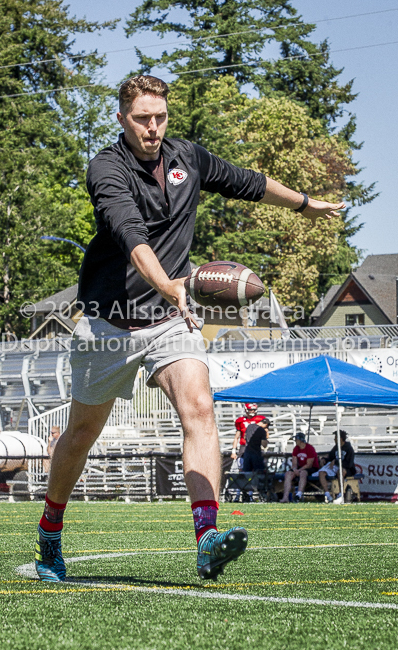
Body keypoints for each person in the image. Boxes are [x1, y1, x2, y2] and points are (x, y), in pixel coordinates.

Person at [34, 74, 345, 582]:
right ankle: (50, 529)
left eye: (159, 117)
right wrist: (169, 284)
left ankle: (207, 539)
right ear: (121, 118)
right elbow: (132, 238)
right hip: (108, 323)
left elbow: (249, 182)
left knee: (200, 408)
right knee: (82, 434)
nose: (152, 128)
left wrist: (306, 205)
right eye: (141, 119)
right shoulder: (106, 170)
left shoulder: (188, 158)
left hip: (168, 321)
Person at [280, 433, 319, 503]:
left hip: (311, 468)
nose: (295, 440)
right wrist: (295, 470)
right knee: (288, 474)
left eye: (296, 439)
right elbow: (294, 463)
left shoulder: (310, 448)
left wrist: (299, 470)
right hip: (299, 467)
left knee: (303, 473)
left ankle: (299, 495)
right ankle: (285, 497)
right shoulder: (296, 449)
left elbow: (309, 464)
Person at [320, 430, 356, 503]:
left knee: (340, 472)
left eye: (335, 437)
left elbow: (349, 464)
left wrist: (337, 462)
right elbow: (330, 457)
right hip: (334, 468)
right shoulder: (335, 447)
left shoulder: (349, 449)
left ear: (341, 438)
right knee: (321, 473)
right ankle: (327, 495)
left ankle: (341, 493)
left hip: (347, 469)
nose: (334, 439)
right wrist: (324, 460)